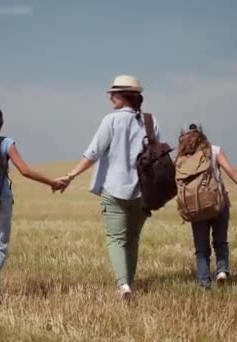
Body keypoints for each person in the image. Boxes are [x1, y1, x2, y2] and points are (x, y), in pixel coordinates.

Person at [58, 75, 163, 299]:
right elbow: (159, 156)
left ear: (124, 96)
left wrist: (71, 175)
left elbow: (93, 153)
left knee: (116, 239)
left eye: (113, 94)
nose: (110, 98)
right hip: (143, 193)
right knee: (132, 239)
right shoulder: (151, 121)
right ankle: (129, 284)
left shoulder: (110, 120)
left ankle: (124, 285)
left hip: (114, 189)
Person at [0, 103, 68, 303]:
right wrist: (52, 182)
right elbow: (25, 171)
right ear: (0, 123)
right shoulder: (5, 143)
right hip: (0, 203)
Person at [177, 123, 237, 288]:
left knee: (201, 249)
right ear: (203, 136)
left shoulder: (183, 157)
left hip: (196, 208)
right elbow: (231, 172)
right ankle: (222, 270)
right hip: (218, 204)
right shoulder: (214, 150)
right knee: (220, 242)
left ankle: (204, 283)